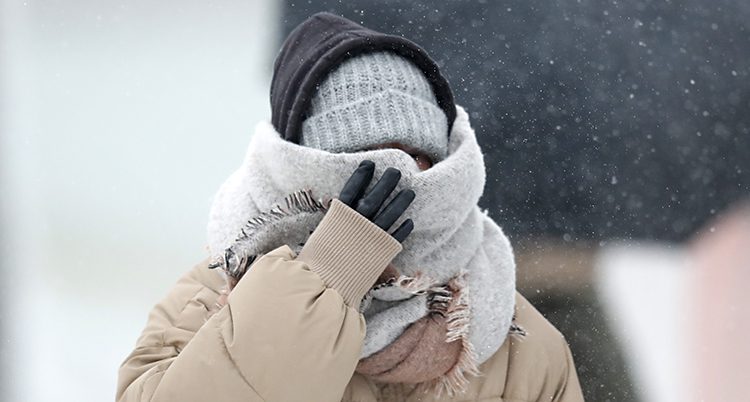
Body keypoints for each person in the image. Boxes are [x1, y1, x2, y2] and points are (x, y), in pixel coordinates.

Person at [116, 12, 584, 402]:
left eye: (417, 158)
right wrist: (322, 282)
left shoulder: (514, 337)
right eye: (366, 162)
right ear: (304, 169)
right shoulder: (207, 302)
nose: (399, 180)